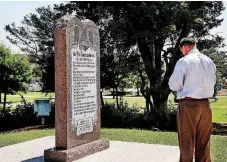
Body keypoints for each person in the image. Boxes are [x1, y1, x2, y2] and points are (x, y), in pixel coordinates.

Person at [169, 37, 216, 162]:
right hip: (205, 105)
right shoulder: (209, 61)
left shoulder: (184, 61)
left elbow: (174, 85)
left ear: (184, 47)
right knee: (204, 141)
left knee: (186, 142)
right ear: (194, 45)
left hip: (188, 104)